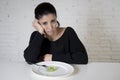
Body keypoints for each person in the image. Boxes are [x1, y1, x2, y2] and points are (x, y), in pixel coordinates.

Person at [24, 2, 88, 64]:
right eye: (44, 23)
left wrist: (52, 57)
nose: (50, 27)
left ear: (56, 18)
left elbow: (83, 58)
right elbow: (29, 59)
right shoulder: (36, 36)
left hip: (66, 74)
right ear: (38, 23)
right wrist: (40, 31)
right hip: (43, 74)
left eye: (53, 21)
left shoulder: (68, 32)